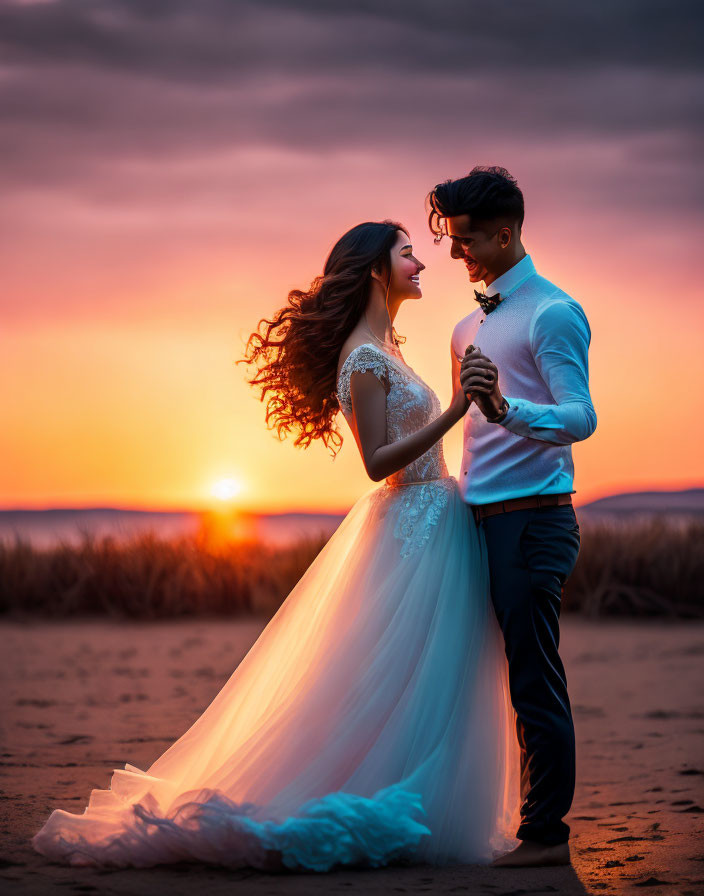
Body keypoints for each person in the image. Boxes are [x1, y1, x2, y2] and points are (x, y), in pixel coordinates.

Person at [31, 221, 519, 871]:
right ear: (377, 269)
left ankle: (414, 797)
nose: (419, 262)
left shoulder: (388, 346)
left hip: (434, 518)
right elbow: (377, 463)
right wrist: (457, 409)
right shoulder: (362, 358)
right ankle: (391, 803)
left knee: (422, 677)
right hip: (411, 524)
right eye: (407, 253)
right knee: (398, 674)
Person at [427, 166, 597, 867]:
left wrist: (506, 408)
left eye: (466, 241)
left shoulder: (554, 313)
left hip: (533, 523)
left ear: (505, 233)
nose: (456, 254)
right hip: (478, 524)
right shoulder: (466, 325)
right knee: (476, 677)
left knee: (533, 676)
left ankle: (546, 836)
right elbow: (473, 437)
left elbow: (581, 418)